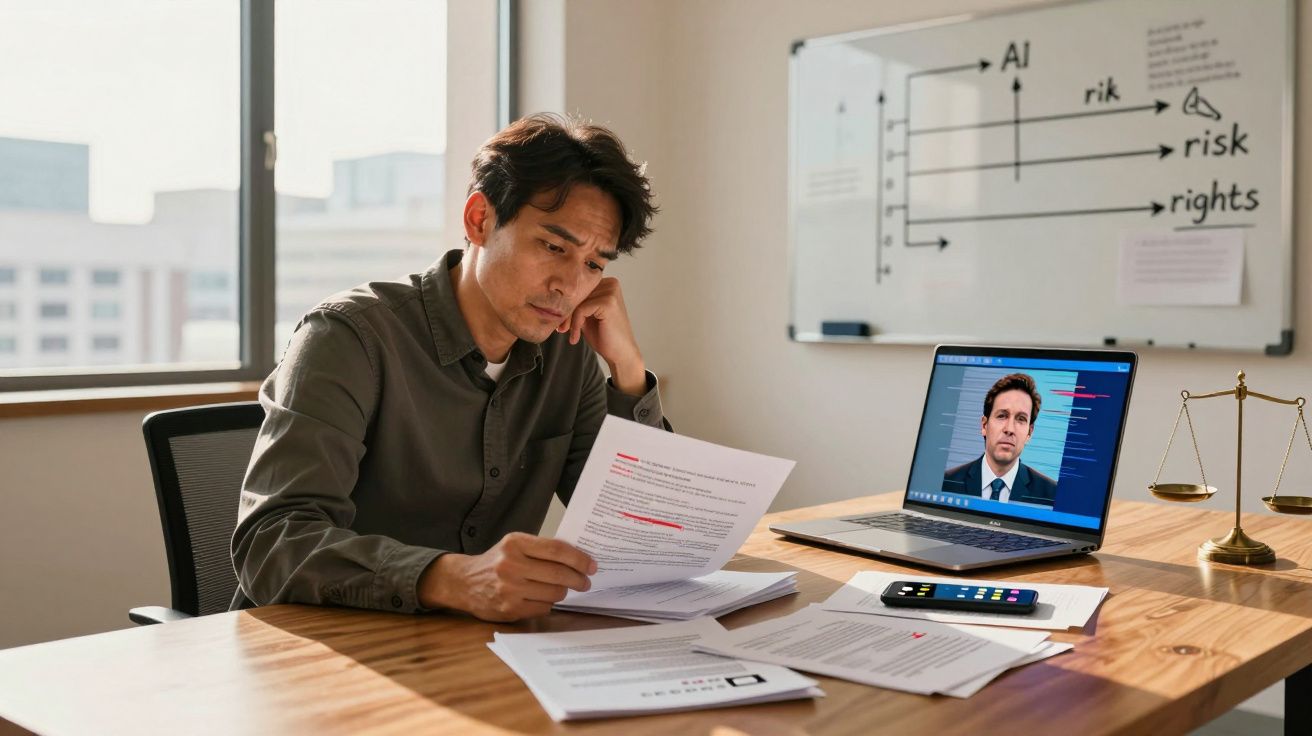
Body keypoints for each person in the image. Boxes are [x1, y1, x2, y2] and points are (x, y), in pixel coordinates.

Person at [230, 114, 668, 622]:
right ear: (479, 220)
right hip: (326, 653)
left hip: (474, 652)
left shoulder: (568, 351)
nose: (570, 286)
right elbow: (272, 541)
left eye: (595, 264)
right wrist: (451, 578)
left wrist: (629, 371)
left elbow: (644, 537)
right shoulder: (348, 337)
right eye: (553, 247)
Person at [942, 373, 1058, 506]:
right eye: (1002, 416)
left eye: (1021, 419)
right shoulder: (947, 482)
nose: (1009, 429)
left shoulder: (1052, 494)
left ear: (1029, 433)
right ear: (984, 425)